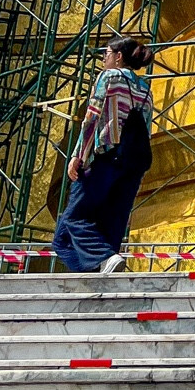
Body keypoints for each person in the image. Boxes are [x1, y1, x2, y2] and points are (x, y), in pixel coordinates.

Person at [51, 36, 156, 274]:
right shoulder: (145, 89)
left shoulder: (109, 77)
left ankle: (104, 258)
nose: (103, 58)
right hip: (133, 164)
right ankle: (101, 269)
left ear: (118, 57)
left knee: (72, 221)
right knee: (109, 225)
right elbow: (147, 129)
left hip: (104, 158)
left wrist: (78, 155)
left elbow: (92, 118)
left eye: (106, 53)